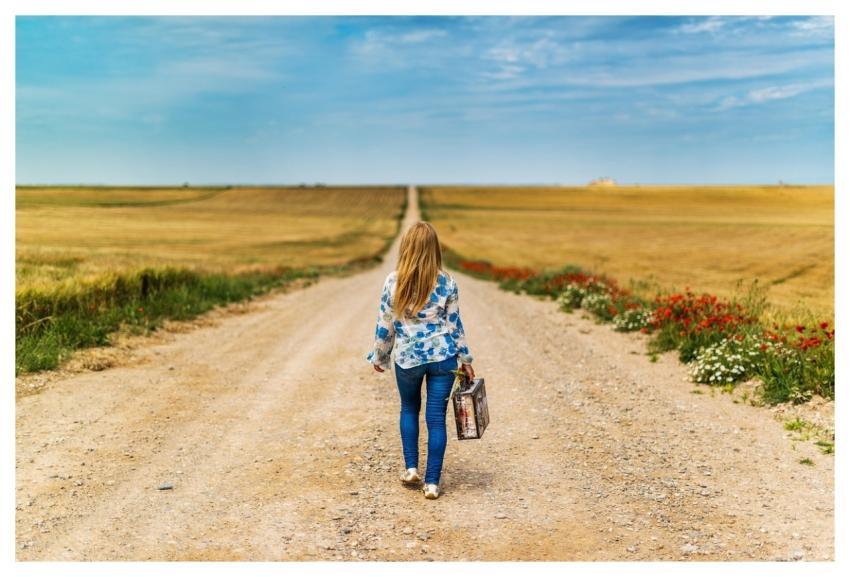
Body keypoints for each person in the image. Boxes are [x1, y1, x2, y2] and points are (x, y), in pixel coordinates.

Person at [366, 221, 475, 500]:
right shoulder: (447, 282)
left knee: (409, 409)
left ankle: (412, 468)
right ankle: (432, 484)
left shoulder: (394, 281)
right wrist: (465, 358)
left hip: (408, 358)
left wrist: (380, 355)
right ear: (434, 250)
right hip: (443, 357)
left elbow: (385, 324)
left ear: (407, 248)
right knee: (436, 419)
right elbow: (454, 324)